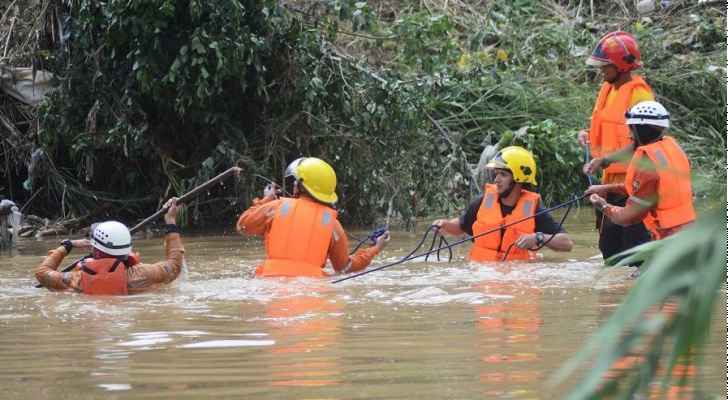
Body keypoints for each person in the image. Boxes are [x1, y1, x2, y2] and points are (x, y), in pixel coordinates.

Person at [237, 157, 389, 277]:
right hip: (311, 287)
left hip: (269, 283)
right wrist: (375, 248)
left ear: (300, 185)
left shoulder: (276, 208)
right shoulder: (332, 225)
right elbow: (345, 268)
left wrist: (265, 200)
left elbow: (243, 226)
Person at [579, 31, 655, 259]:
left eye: (606, 66)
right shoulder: (608, 88)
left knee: (634, 250)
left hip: (635, 182)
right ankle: (614, 294)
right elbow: (609, 129)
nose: (601, 71)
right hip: (609, 181)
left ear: (622, 65)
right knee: (610, 251)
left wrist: (604, 160)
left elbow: (643, 143)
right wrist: (587, 135)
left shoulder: (640, 96)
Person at [433, 146, 572, 262]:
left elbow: (567, 243)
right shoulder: (482, 203)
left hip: (515, 276)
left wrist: (538, 237)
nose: (496, 179)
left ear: (519, 179)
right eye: (496, 174)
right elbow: (461, 226)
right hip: (482, 274)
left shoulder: (534, 211)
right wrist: (444, 225)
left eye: (503, 175)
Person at [587, 101, 695, 240]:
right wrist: (606, 188)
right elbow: (650, 189)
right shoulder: (671, 149)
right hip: (688, 233)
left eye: (631, 129)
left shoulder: (648, 165)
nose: (630, 135)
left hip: (667, 241)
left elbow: (626, 217)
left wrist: (602, 205)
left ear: (640, 130)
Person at [35, 198, 185, 294]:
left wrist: (67, 246)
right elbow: (175, 265)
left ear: (97, 251)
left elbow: (42, 273)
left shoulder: (75, 280)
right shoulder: (143, 274)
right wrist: (170, 221)